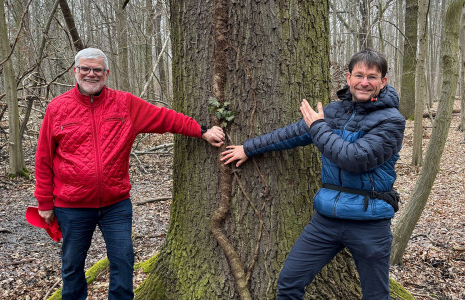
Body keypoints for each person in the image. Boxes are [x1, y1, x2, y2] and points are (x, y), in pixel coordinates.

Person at [34, 47, 225, 299]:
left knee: (123, 261)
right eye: (85, 69)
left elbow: (165, 118)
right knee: (72, 267)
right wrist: (45, 202)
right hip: (72, 206)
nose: (91, 74)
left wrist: (201, 130)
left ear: (106, 73)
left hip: (116, 205)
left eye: (97, 70)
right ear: (75, 72)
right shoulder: (57, 108)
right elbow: (44, 158)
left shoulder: (125, 104)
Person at [221, 49, 405, 299]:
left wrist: (318, 126)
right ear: (349, 77)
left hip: (369, 222)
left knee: (375, 295)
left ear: (383, 82)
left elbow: (354, 159)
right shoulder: (334, 111)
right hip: (326, 219)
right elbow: (292, 134)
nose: (364, 82)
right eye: (359, 75)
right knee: (289, 282)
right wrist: (248, 148)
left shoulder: (391, 121)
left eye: (372, 77)